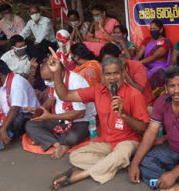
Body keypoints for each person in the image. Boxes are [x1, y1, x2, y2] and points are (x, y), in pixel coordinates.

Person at [48, 49, 150, 189]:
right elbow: (65, 96)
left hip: (128, 141)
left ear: (122, 74)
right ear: (102, 76)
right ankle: (112, 164)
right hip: (107, 142)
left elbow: (144, 129)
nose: (113, 78)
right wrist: (56, 73)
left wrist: (124, 115)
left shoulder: (134, 94)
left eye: (116, 73)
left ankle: (81, 174)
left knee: (122, 154)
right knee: (75, 156)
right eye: (108, 74)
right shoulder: (97, 90)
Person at [25, 62, 97, 159]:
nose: (46, 83)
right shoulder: (54, 80)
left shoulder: (76, 82)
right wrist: (40, 110)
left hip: (80, 121)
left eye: (48, 79)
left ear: (59, 72)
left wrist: (51, 116)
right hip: (59, 119)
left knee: (73, 137)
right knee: (30, 125)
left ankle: (48, 140)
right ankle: (58, 144)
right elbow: (50, 99)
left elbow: (80, 113)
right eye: (44, 79)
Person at [99, 43, 153, 115]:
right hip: (121, 106)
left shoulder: (137, 66)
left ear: (120, 57)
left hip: (143, 105)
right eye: (105, 62)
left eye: (111, 61)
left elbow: (139, 90)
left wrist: (123, 70)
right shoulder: (106, 69)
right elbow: (101, 89)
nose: (108, 65)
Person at [134, 19, 172, 91]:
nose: (152, 31)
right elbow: (139, 55)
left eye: (154, 29)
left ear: (160, 30)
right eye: (151, 29)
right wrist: (133, 62)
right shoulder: (147, 40)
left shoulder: (166, 42)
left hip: (160, 68)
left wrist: (139, 63)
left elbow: (154, 56)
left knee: (160, 75)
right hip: (145, 66)